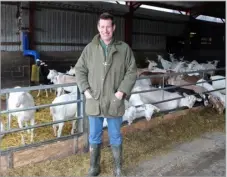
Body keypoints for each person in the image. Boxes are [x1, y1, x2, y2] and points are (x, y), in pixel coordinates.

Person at [75, 12, 137, 177]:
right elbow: (79, 70)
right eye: (102, 27)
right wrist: (86, 91)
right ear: (98, 27)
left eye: (108, 27)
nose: (105, 30)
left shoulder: (124, 49)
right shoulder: (90, 49)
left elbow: (131, 72)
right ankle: (94, 167)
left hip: (114, 101)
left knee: (115, 135)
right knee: (94, 136)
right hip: (94, 101)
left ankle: (118, 169)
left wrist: (121, 92)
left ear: (113, 27)